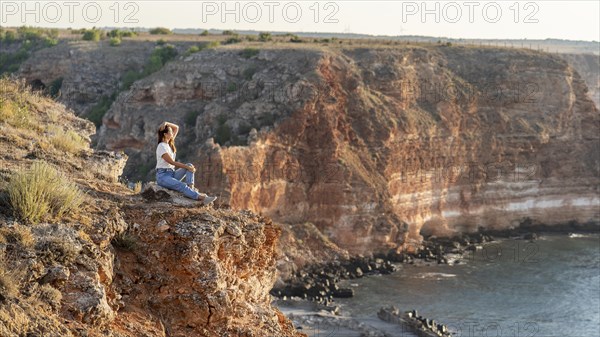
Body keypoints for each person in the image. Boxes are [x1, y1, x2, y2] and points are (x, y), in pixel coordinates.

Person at [155, 121, 217, 205]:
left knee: (189, 165)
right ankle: (202, 198)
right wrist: (186, 168)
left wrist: (166, 123)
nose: (173, 133)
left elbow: (176, 127)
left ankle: (191, 189)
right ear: (165, 134)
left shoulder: (169, 144)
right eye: (170, 132)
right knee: (181, 185)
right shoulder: (161, 146)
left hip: (171, 173)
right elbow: (171, 162)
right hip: (163, 176)